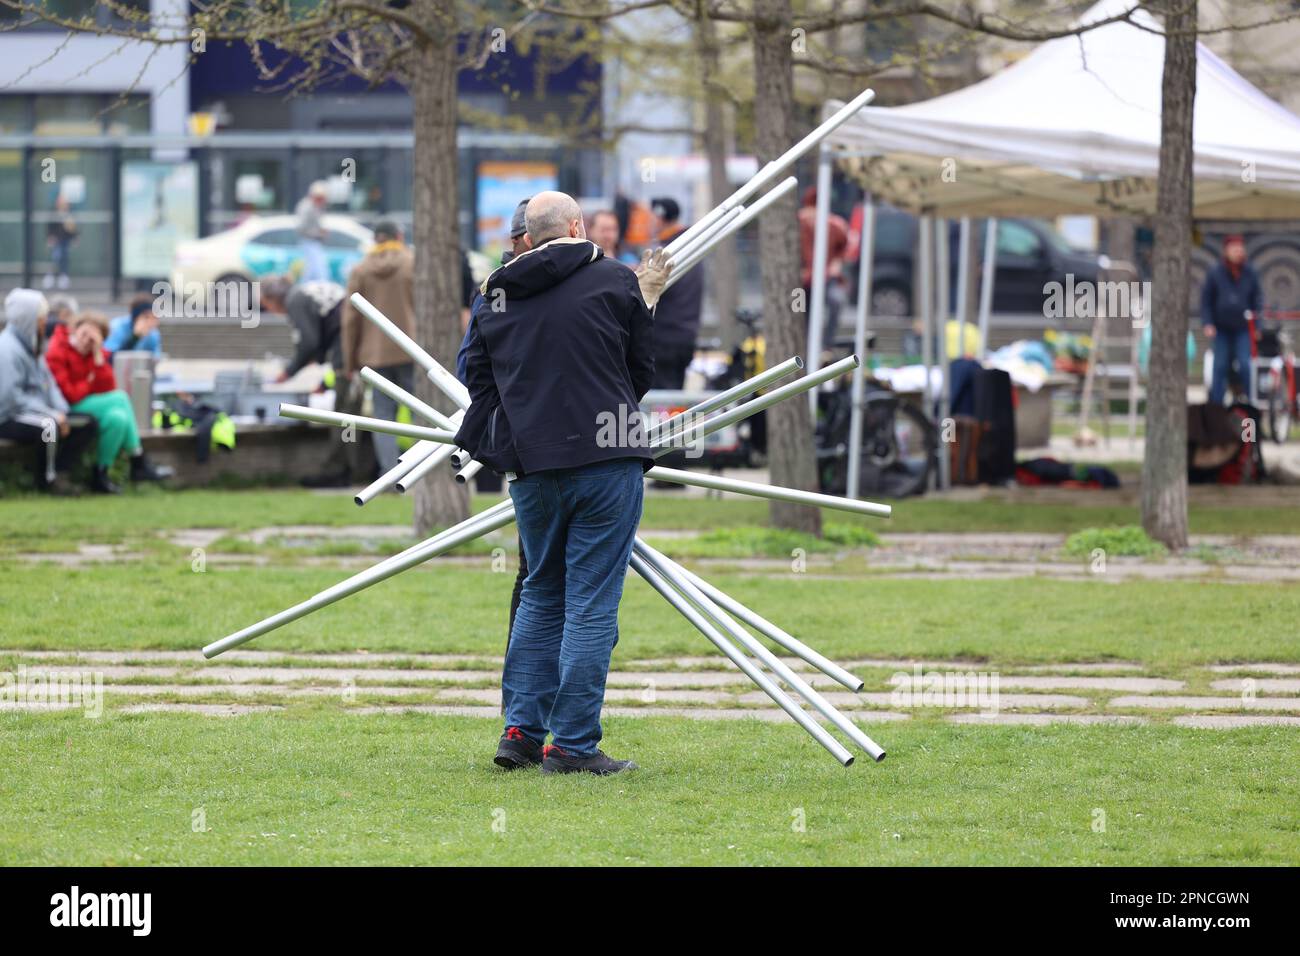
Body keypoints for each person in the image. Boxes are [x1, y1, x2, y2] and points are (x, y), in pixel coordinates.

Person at [455, 190, 670, 775]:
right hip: (607, 458)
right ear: (576, 226)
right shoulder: (615, 280)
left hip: (532, 464)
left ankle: (521, 731)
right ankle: (573, 745)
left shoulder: (494, 292)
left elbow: (475, 377)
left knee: (541, 594)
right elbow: (640, 371)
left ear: (527, 232)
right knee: (591, 604)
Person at [44, 310, 171, 493]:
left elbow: (108, 386)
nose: (86, 340)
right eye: (84, 333)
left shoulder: (95, 353)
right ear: (75, 330)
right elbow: (69, 394)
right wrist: (88, 382)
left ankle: (101, 474)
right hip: (65, 406)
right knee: (121, 398)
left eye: (93, 337)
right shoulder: (58, 350)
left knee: (117, 418)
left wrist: (97, 357)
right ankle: (138, 461)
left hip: (88, 403)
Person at [262, 276, 366, 488]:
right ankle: (346, 468)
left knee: (345, 415)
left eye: (266, 304)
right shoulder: (303, 291)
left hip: (347, 352)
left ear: (273, 298)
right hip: (353, 345)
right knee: (349, 413)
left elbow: (309, 342)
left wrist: (288, 372)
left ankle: (339, 471)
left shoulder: (295, 300)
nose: (269, 310)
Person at [0, 288, 97, 495]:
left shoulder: (32, 345)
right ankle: (47, 481)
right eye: (41, 318)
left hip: (32, 412)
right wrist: (51, 415)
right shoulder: (7, 349)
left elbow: (49, 383)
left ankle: (63, 472)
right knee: (49, 427)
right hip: (7, 417)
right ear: (27, 318)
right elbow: (11, 398)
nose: (45, 322)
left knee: (87, 423)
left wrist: (61, 411)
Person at [340, 220, 416, 476]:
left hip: (374, 355)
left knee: (384, 417)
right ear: (399, 235)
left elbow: (350, 319)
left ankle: (390, 474)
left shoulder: (360, 270)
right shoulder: (412, 263)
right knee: (422, 414)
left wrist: (349, 362)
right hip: (412, 351)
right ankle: (423, 472)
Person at [647, 197, 704, 389]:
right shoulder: (692, 245)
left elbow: (650, 291)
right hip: (686, 336)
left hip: (663, 337)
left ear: (660, 218)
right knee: (674, 398)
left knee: (660, 404)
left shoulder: (664, 251)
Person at [1202, 234, 1263, 405]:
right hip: (1221, 329)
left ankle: (1251, 404)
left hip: (1243, 328)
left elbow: (1257, 300)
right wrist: (1208, 323)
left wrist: (1257, 326)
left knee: (1245, 365)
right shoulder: (1215, 273)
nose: (1238, 252)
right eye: (1234, 248)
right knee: (1220, 366)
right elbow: (1206, 301)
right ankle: (1216, 407)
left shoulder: (1250, 272)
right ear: (1226, 250)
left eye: (1240, 248)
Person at [798, 186, 849, 349]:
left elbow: (844, 249)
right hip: (800, 283)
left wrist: (837, 264)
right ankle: (803, 342)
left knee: (836, 300)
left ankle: (827, 343)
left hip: (828, 278)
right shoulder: (797, 225)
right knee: (796, 306)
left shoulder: (835, 226)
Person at [295, 181, 330, 282]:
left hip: (313, 242)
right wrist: (319, 233)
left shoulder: (316, 207)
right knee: (320, 271)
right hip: (309, 241)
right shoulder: (307, 207)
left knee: (311, 272)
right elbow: (301, 227)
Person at [44, 196, 77, 291]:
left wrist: (74, 237)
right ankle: (50, 276)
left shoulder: (69, 214)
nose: (62, 205)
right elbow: (49, 226)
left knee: (64, 258)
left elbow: (72, 228)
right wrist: (50, 237)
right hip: (56, 240)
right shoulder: (54, 213)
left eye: (64, 203)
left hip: (65, 240)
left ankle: (63, 276)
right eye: (60, 202)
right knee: (55, 258)